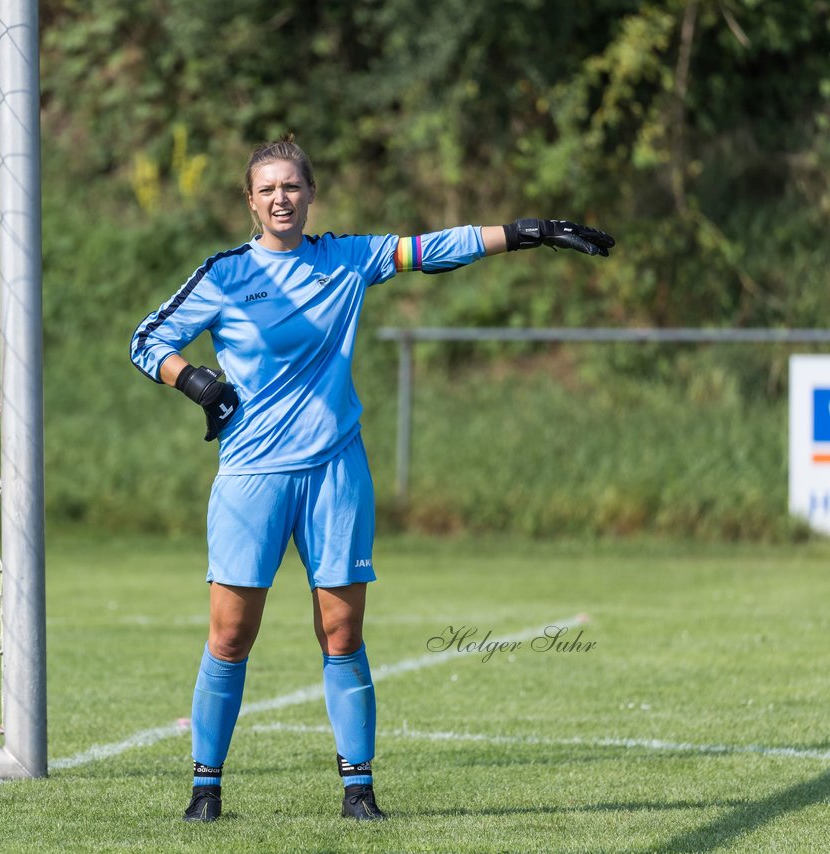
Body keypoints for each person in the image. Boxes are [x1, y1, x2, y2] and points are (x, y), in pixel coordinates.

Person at [129, 137, 614, 823]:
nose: (280, 198)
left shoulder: (345, 260)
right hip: (251, 477)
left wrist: (525, 233)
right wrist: (197, 381)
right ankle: (205, 789)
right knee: (230, 636)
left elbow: (430, 249)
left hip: (335, 471)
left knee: (342, 632)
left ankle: (359, 790)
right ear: (249, 199)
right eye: (267, 188)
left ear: (310, 193)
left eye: (292, 186)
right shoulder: (225, 274)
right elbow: (146, 341)